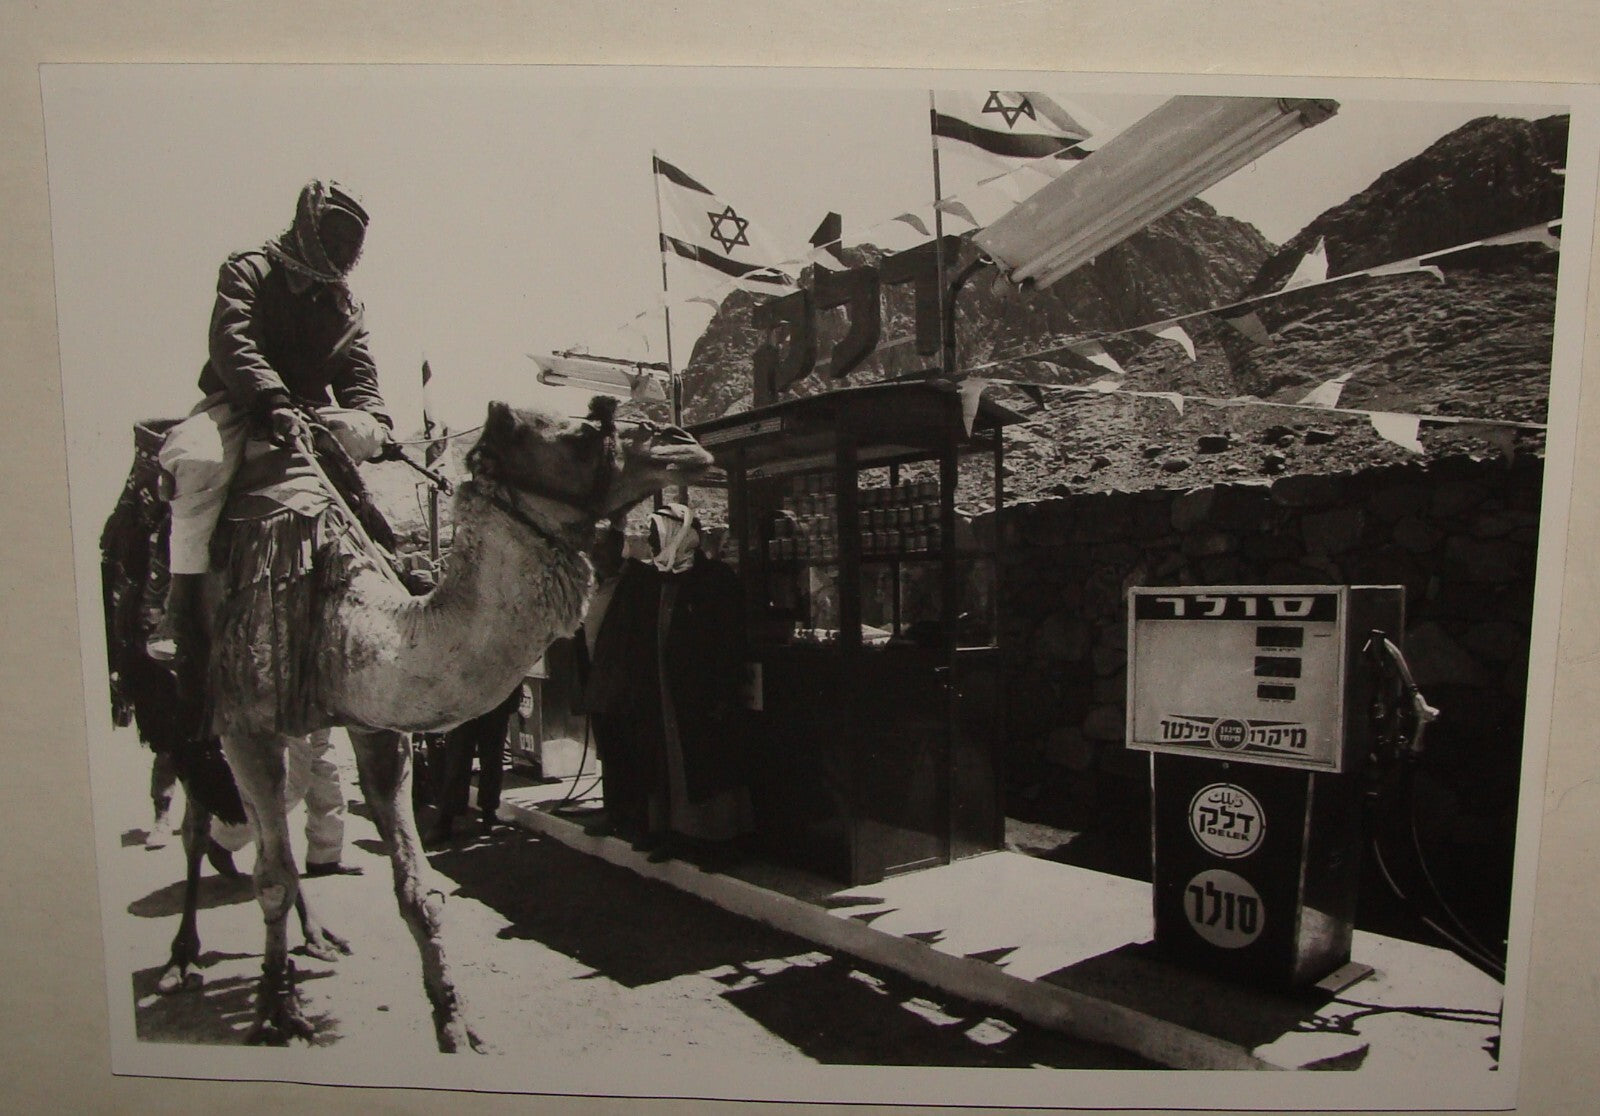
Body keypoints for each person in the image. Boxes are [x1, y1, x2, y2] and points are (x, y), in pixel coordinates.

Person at [147, 179, 393, 663]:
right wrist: (273, 401)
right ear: (309, 227)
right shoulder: (250, 270)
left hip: (314, 418)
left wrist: (376, 422)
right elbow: (232, 341)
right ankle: (178, 605)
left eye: (352, 244)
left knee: (366, 488)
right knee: (197, 461)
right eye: (335, 237)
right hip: (241, 404)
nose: (343, 251)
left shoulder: (347, 308)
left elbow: (359, 377)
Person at [584, 504, 752, 866]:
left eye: (657, 534)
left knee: (707, 768)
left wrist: (723, 690)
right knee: (669, 766)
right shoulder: (657, 581)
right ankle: (676, 836)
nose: (651, 540)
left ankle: (718, 844)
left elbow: (729, 640)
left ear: (680, 534)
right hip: (662, 690)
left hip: (702, 693)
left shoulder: (715, 579)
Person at [425, 686, 521, 846]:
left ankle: (489, 814)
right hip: (462, 701)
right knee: (456, 760)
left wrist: (511, 699)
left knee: (492, 760)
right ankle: (446, 818)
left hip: (495, 699)